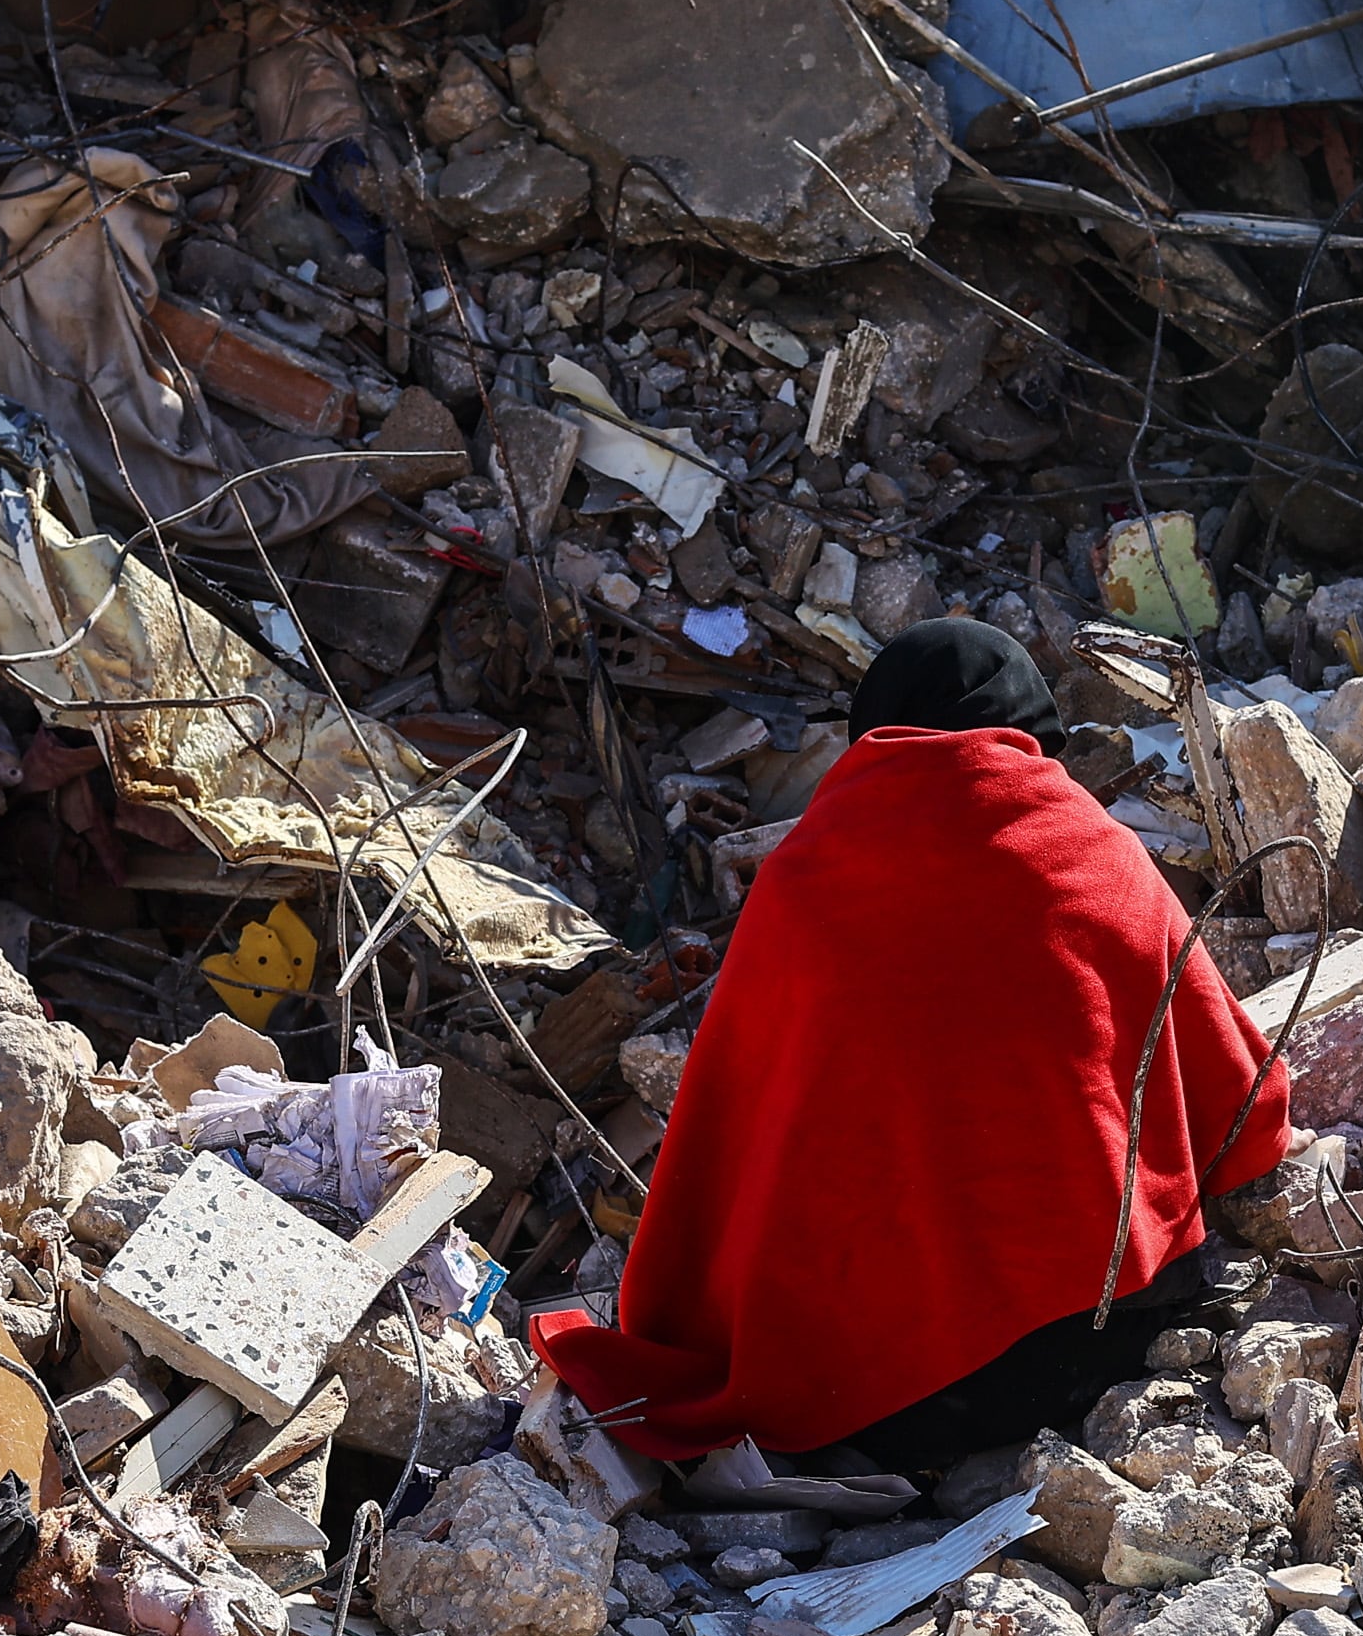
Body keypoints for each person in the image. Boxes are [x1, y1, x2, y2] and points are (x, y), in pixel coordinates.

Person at [529, 618, 1291, 1471]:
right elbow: (1243, 1103)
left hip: (880, 1405)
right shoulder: (1098, 854)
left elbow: (738, 1138)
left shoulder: (806, 886)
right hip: (1112, 1338)